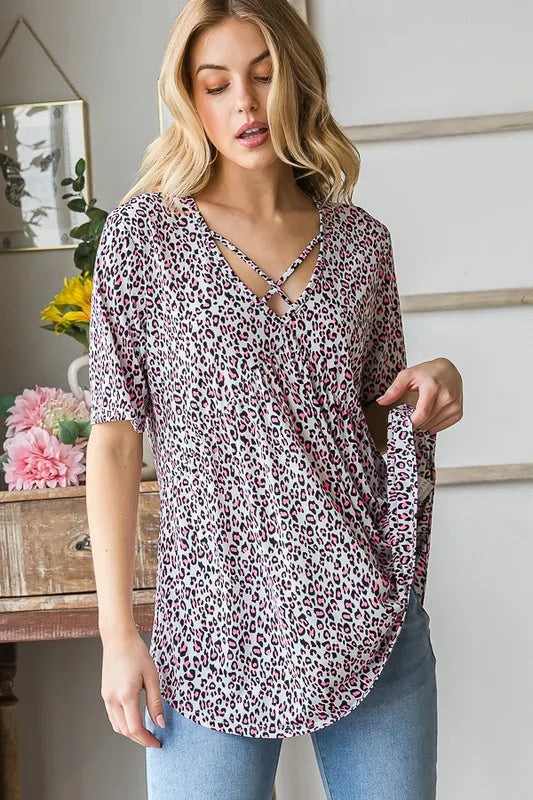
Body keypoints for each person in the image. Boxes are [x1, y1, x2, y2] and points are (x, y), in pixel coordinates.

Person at [85, 2, 463, 799]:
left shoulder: (362, 243)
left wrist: (434, 378)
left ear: (299, 81)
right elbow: (114, 440)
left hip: (365, 609)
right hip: (211, 618)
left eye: (264, 76)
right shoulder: (142, 238)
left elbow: (373, 421)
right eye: (216, 83)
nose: (245, 104)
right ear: (189, 96)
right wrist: (118, 636)